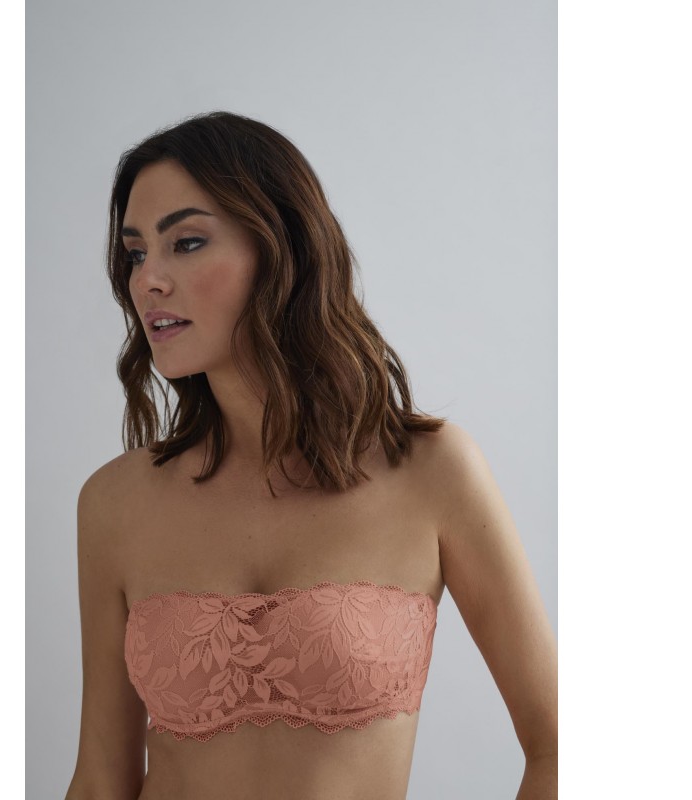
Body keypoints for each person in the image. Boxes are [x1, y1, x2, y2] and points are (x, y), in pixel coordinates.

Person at [64, 111, 558, 800]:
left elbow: (561, 748)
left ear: (281, 249)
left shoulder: (431, 471)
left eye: (187, 242)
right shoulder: (115, 503)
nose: (148, 279)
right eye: (136, 252)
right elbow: (100, 781)